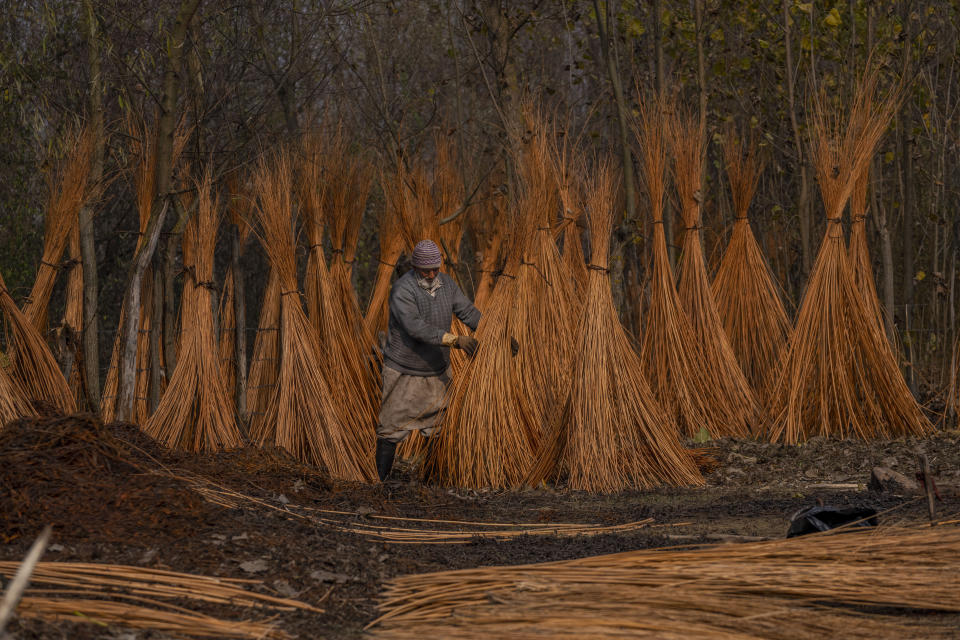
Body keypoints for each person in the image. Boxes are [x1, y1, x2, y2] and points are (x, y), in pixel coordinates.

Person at [375, 239, 482, 481]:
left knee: (437, 428)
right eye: (426, 270)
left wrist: (497, 332)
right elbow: (415, 327)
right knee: (391, 427)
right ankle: (380, 483)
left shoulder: (447, 284)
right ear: (415, 267)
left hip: (436, 370)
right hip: (404, 371)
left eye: (436, 268)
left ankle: (432, 481)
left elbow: (467, 311)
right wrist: (456, 341)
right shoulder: (403, 289)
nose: (432, 274)